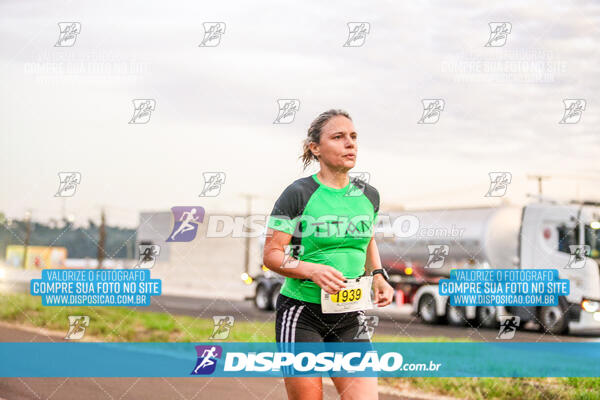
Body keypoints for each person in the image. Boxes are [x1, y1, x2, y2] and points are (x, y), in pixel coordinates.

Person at [263, 109, 395, 400]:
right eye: (338, 137)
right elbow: (272, 255)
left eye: (353, 137)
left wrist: (377, 274)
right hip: (302, 314)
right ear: (316, 148)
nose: (350, 144)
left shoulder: (368, 195)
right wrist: (312, 270)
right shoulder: (297, 193)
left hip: (349, 316)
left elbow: (366, 237)